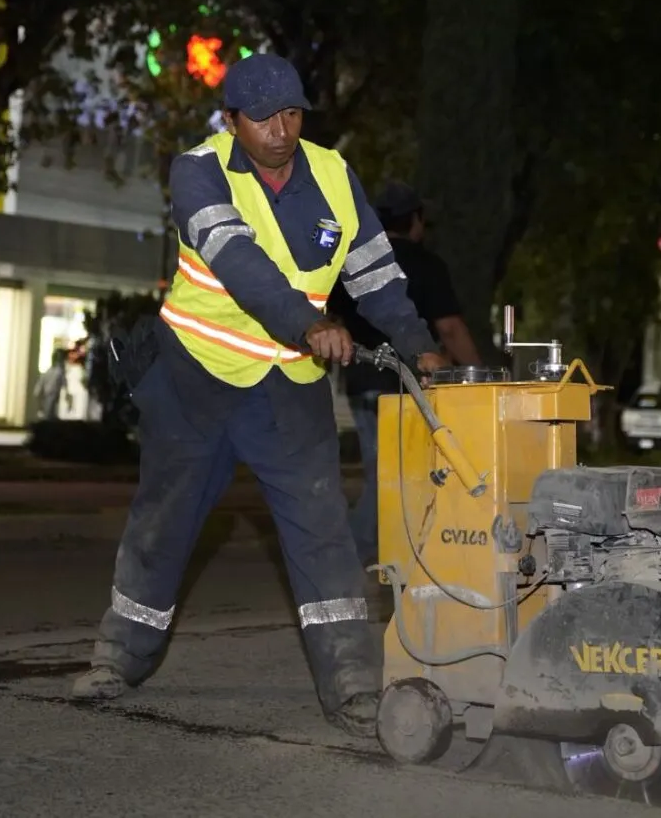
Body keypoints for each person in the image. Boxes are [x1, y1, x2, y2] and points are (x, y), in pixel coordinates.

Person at [69, 52, 448, 739]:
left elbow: (375, 275)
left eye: (293, 113)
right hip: (196, 383)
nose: (281, 129)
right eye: (264, 116)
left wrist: (420, 344)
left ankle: (353, 682)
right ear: (232, 119)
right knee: (163, 524)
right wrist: (309, 322)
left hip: (288, 394)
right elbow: (239, 261)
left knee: (323, 531)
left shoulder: (333, 174)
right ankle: (118, 657)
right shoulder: (198, 170)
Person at [329, 180, 482, 566]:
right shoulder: (424, 265)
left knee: (382, 471)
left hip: (361, 381)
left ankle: (388, 551)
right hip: (409, 385)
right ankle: (355, 554)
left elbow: (330, 317)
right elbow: (449, 328)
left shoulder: (355, 259)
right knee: (396, 476)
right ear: (416, 220)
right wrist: (480, 375)